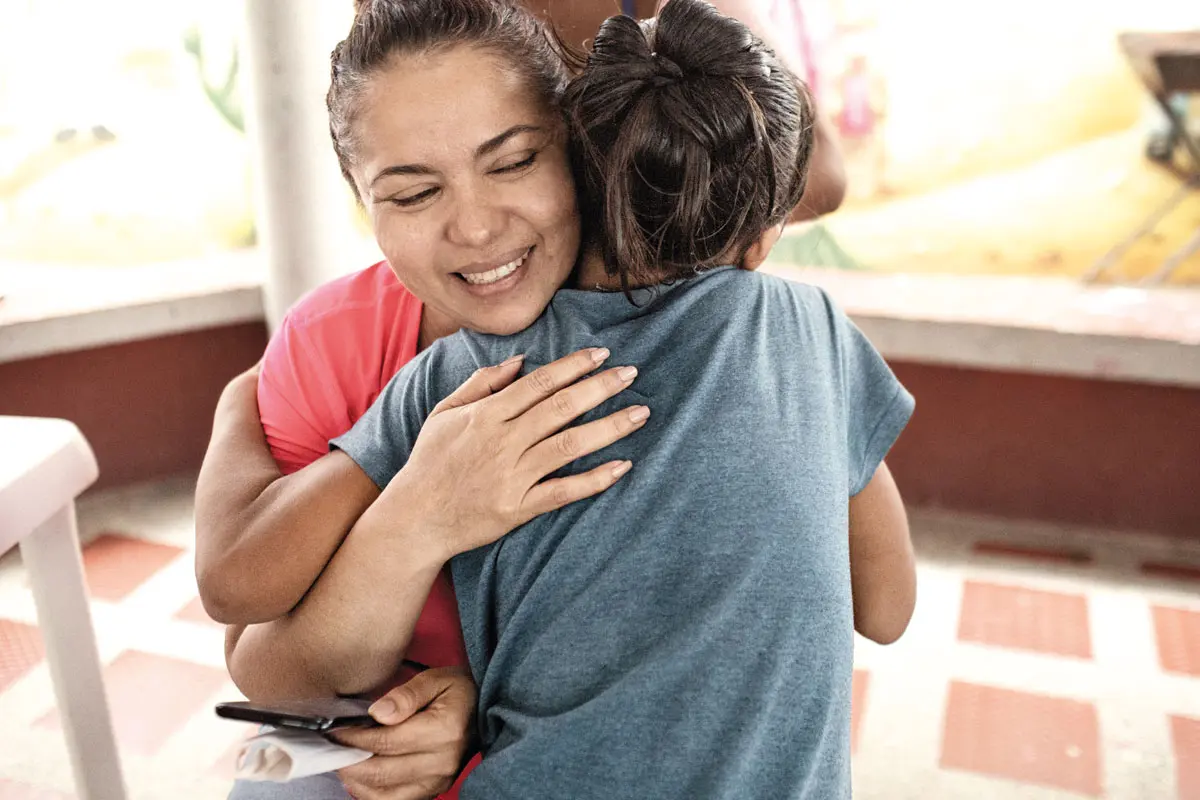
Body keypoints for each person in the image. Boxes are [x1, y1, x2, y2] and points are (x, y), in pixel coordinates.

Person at [200, 0, 913, 796]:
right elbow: (265, 666)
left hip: (497, 751)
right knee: (277, 780)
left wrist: (477, 713)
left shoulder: (475, 377)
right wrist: (417, 512)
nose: (474, 227)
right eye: (411, 192)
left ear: (582, 149)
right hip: (375, 724)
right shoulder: (804, 332)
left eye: (512, 162)